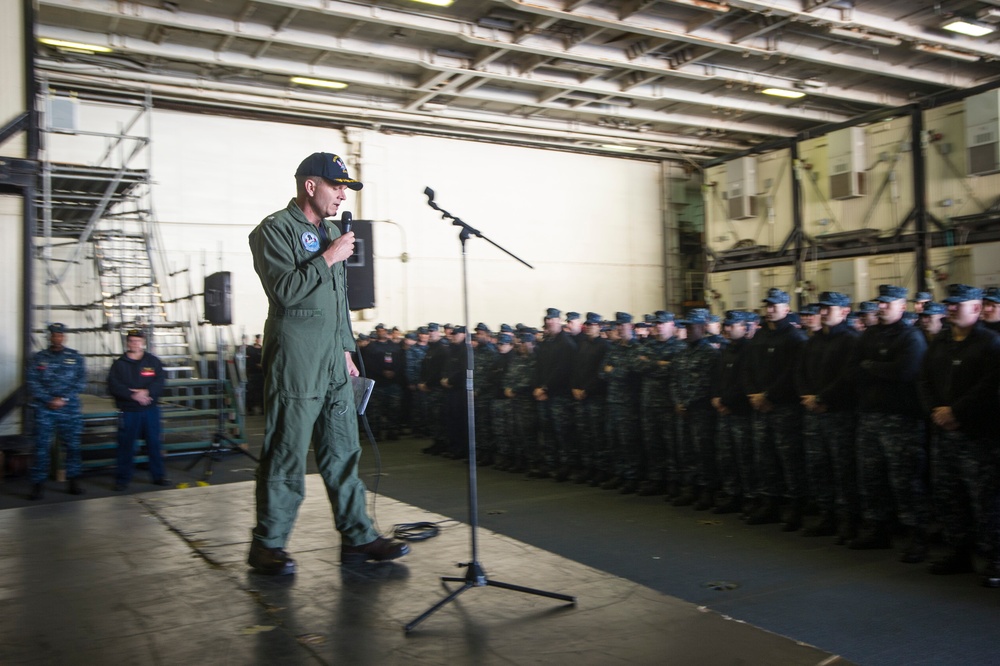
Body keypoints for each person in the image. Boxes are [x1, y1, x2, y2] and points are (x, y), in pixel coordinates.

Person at [246, 152, 408, 574]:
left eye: (346, 188)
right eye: (336, 186)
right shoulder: (274, 230)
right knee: (286, 450)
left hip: (335, 362)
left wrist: (346, 352)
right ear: (310, 185)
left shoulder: (332, 230)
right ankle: (268, 544)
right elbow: (285, 291)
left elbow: (338, 304)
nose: (341, 194)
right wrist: (329, 257)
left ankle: (358, 537)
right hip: (296, 359)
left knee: (342, 451)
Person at [920, 284, 1000, 587]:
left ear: (976, 308)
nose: (951, 309)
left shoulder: (990, 344)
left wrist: (956, 412)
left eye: (959, 305)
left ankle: (995, 558)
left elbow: (988, 388)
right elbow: (923, 379)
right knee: (949, 495)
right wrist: (936, 411)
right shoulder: (940, 344)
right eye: (949, 304)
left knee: (986, 500)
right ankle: (959, 552)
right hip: (944, 434)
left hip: (978, 436)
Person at [851, 284, 930, 561]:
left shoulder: (911, 336)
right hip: (870, 416)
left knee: (905, 480)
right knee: (871, 477)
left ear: (902, 305)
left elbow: (905, 371)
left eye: (888, 303)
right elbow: (854, 368)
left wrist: (872, 367)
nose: (881, 307)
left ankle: (916, 534)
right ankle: (877, 529)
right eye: (879, 303)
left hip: (901, 419)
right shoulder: (869, 335)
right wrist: (879, 368)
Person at [27, 323, 87, 500]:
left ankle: (74, 481)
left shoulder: (75, 357)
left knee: (73, 446)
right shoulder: (38, 358)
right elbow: (32, 382)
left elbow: (81, 381)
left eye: (60, 335)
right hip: (45, 410)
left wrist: (63, 399)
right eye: (54, 335)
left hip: (69, 409)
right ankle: (38, 485)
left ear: (64, 337)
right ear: (49, 337)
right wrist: (49, 400)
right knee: (41, 447)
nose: (57, 338)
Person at [107, 329, 170, 491]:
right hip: (129, 410)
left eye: (138, 340)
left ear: (143, 342)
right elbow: (113, 386)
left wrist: (146, 392)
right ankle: (122, 479)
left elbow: (160, 381)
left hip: (150, 410)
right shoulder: (119, 364)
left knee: (154, 444)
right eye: (132, 341)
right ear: (127, 343)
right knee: (126, 446)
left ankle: (158, 476)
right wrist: (131, 395)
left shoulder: (152, 361)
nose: (135, 344)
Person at [245, 333, 264, 415]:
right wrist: (256, 365)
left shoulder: (262, 349)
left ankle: (262, 408)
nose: (258, 340)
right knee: (251, 391)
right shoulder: (250, 349)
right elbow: (248, 361)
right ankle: (251, 408)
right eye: (257, 338)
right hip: (253, 373)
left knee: (261, 391)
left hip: (261, 374)